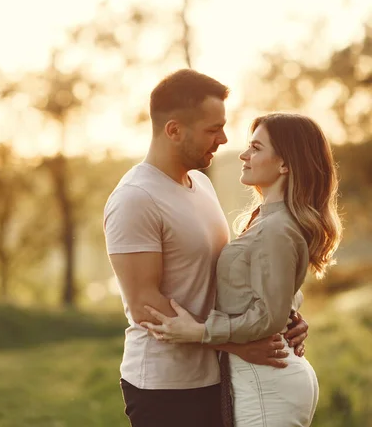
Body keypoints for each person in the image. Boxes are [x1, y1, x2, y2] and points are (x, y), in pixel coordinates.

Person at [104, 71, 309, 427]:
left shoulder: (200, 184)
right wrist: (236, 344)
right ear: (173, 130)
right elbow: (145, 307)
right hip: (166, 386)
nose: (224, 138)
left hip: (218, 375)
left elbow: (225, 278)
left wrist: (282, 313)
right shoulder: (135, 198)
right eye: (212, 129)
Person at [142, 112, 343, 427]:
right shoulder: (265, 218)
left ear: (285, 164)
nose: (243, 155)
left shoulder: (277, 226)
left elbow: (269, 315)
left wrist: (201, 332)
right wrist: (291, 311)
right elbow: (271, 289)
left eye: (256, 148)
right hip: (264, 378)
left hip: (267, 382)